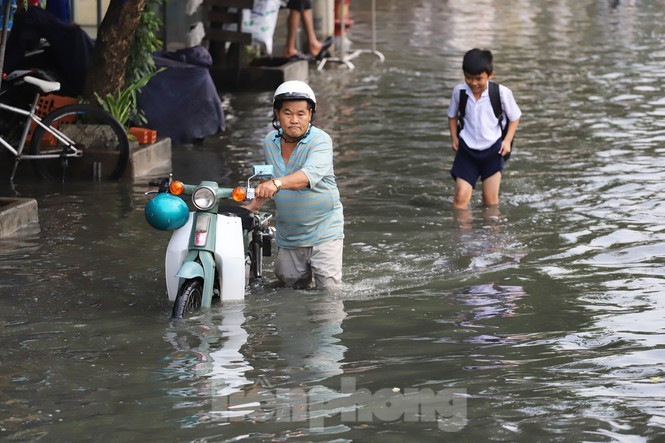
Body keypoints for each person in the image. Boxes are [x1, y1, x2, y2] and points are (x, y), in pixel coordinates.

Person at [245, 80, 344, 290]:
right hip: (289, 233)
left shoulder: (321, 141)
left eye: (301, 114)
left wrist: (276, 183)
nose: (294, 120)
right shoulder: (269, 141)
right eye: (287, 113)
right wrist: (252, 208)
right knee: (289, 289)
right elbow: (267, 180)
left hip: (324, 229)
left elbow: (306, 177)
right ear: (277, 114)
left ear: (311, 115)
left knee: (329, 292)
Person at [447, 48, 521, 210]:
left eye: (479, 78)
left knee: (490, 203)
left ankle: (491, 235)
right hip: (467, 151)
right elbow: (452, 116)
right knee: (460, 201)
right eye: (469, 78)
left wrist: (507, 141)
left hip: (493, 152)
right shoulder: (459, 92)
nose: (473, 83)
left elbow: (515, 117)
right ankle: (463, 234)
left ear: (490, 75)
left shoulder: (501, 93)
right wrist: (454, 137)